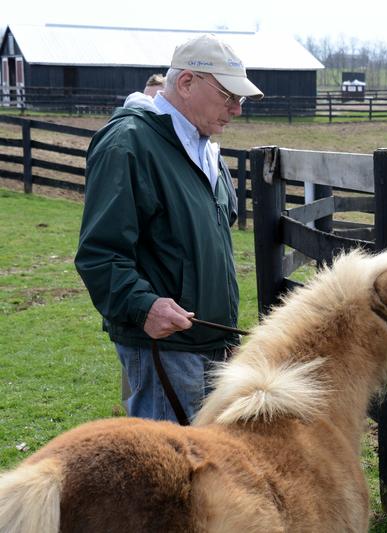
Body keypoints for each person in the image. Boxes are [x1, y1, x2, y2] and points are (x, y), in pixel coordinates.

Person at [75, 34, 263, 423]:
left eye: (240, 99)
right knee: (167, 473)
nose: (237, 109)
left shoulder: (204, 147)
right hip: (165, 350)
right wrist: (143, 306)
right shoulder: (128, 144)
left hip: (210, 346)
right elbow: (99, 254)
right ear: (187, 83)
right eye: (228, 95)